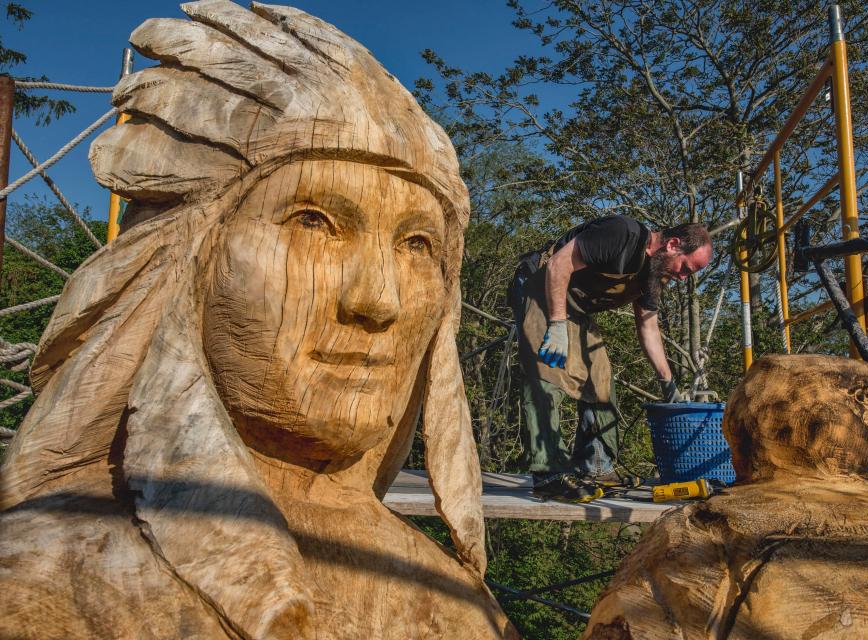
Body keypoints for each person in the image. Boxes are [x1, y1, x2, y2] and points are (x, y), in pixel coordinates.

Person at [0, 3, 515, 638]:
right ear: (189, 258)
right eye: (314, 223)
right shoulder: (46, 584)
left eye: (416, 245)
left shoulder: (457, 605)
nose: (379, 301)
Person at [508, 216, 712, 503]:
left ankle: (595, 467)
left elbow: (648, 326)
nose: (683, 278)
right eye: (686, 268)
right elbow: (558, 265)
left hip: (574, 306)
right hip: (540, 285)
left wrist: (668, 383)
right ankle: (549, 474)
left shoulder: (653, 275)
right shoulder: (622, 235)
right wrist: (556, 325)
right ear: (673, 244)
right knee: (548, 370)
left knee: (599, 375)